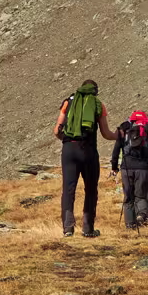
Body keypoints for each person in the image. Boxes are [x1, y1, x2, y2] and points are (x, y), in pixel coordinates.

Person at [54, 79, 116, 238]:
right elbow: (106, 133)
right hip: (88, 150)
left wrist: (68, 140)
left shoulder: (68, 102)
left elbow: (56, 130)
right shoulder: (98, 104)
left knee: (68, 190)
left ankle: (68, 228)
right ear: (95, 91)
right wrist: (119, 135)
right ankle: (88, 229)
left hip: (69, 150)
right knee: (90, 189)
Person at [110, 110, 148, 229]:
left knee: (128, 197)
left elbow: (116, 150)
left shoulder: (124, 129)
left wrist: (114, 167)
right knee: (141, 195)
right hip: (144, 168)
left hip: (127, 168)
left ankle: (129, 225)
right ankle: (141, 215)